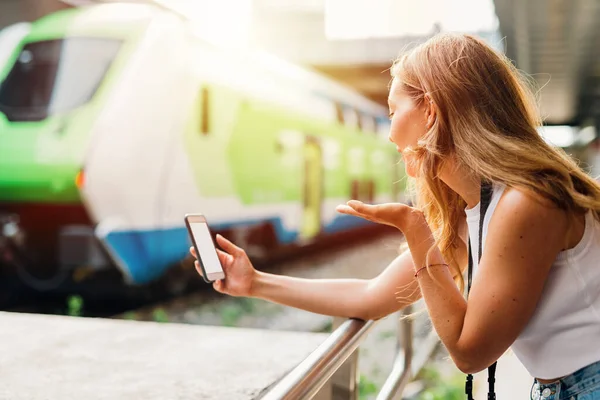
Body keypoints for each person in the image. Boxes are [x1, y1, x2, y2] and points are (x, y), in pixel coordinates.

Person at [190, 33, 600, 399]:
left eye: (392, 111)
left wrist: (417, 231)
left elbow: (469, 352)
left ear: (431, 112)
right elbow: (372, 297)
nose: (389, 134)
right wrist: (255, 281)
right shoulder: (476, 208)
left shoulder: (525, 202)